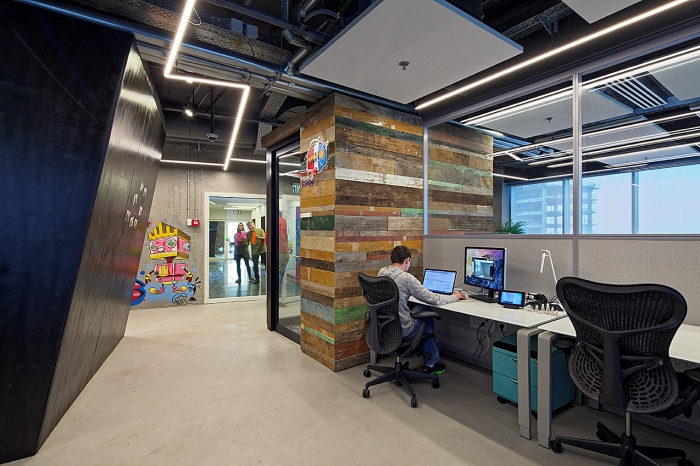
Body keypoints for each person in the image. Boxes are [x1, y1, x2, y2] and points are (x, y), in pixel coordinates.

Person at [377, 245, 466, 375]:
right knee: (427, 317)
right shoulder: (406, 278)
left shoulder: (382, 273)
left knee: (423, 308)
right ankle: (432, 363)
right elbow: (434, 299)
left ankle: (428, 358)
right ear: (407, 260)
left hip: (384, 327)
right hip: (402, 330)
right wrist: (455, 296)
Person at [246, 220, 266, 285]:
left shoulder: (260, 230)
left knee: (266, 264)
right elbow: (246, 244)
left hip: (262, 249)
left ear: (254, 224)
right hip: (254, 251)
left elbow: (265, 238)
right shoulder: (248, 234)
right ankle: (257, 279)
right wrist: (244, 241)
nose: (250, 227)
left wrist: (260, 237)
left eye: (251, 225)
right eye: (248, 226)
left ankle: (269, 278)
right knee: (255, 266)